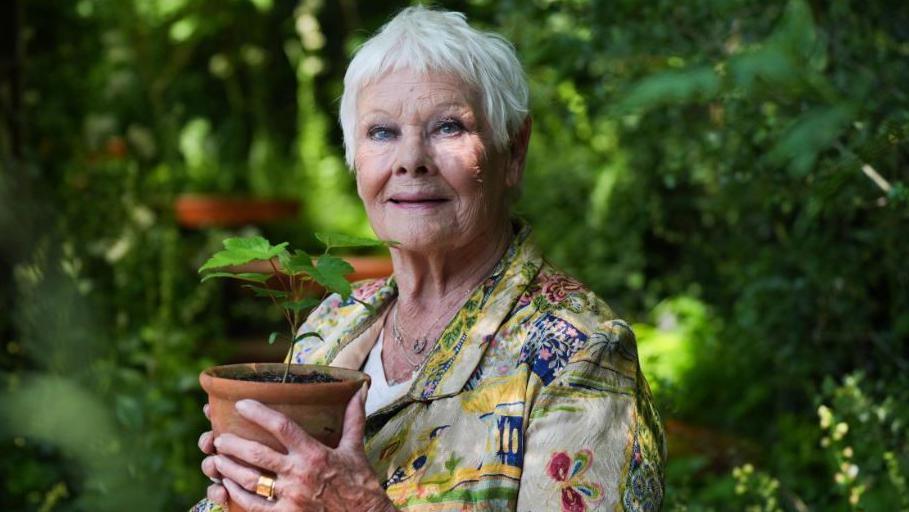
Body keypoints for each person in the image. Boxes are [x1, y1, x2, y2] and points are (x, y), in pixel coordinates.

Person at [192, 6, 665, 511]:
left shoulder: (578, 355)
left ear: (514, 151)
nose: (410, 159)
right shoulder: (332, 322)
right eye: (381, 132)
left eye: (447, 127)